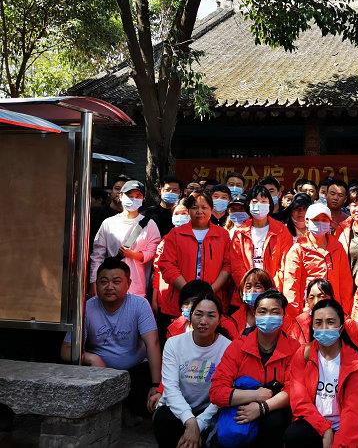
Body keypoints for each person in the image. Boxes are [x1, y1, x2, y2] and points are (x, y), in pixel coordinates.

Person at [61, 258, 161, 419]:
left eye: (116, 282)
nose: (109, 287)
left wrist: (157, 385)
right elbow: (66, 350)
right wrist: (91, 358)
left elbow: (153, 344)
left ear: (128, 284)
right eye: (104, 282)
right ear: (96, 284)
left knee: (146, 409)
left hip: (135, 370)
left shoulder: (140, 305)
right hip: (98, 372)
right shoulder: (87, 307)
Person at [209, 290, 299, 448]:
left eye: (275, 312)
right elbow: (216, 392)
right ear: (255, 314)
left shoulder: (294, 348)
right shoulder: (238, 346)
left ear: (284, 316)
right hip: (241, 410)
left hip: (274, 411)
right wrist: (256, 395)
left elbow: (293, 389)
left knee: (275, 421)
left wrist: (262, 407)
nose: (268, 316)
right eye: (262, 311)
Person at [284, 299, 358, 447]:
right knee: (294, 434)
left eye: (330, 322)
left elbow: (354, 412)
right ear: (312, 327)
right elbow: (300, 401)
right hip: (314, 424)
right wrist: (324, 428)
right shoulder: (303, 354)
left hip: (343, 429)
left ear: (341, 328)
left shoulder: (354, 361)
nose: (324, 328)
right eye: (318, 323)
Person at [153, 293, 231, 448]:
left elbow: (223, 393)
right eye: (198, 314)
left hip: (209, 411)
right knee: (162, 418)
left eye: (211, 316)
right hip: (177, 408)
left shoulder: (228, 347)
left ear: (220, 319)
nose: (203, 321)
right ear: (190, 316)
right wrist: (190, 421)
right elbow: (170, 388)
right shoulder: (173, 344)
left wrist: (198, 424)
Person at [155, 191, 232, 341]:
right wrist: (187, 291)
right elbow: (166, 264)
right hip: (179, 301)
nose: (199, 211)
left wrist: (210, 290)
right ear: (188, 210)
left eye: (204, 207)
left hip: (213, 298)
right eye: (195, 207)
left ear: (211, 209)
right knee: (177, 342)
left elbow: (227, 266)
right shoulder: (175, 234)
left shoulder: (222, 234)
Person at [90, 180, 161, 298]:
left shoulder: (150, 224)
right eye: (129, 195)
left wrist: (132, 255)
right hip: (109, 287)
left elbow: (153, 252)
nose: (133, 199)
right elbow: (97, 255)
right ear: (121, 196)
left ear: (143, 199)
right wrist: (94, 282)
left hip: (137, 287)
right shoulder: (108, 223)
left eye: (138, 196)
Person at [283, 203, 354, 318]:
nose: (320, 223)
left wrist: (344, 312)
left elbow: (345, 283)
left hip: (334, 310)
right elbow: (291, 286)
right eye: (315, 220)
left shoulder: (337, 247)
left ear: (330, 222)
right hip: (308, 311)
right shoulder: (298, 249)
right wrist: (296, 317)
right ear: (307, 222)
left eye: (324, 220)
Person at [231, 184, 293, 287]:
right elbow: (236, 266)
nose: (259, 205)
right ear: (248, 205)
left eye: (264, 201)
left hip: (273, 289)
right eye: (255, 202)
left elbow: (285, 265)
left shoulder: (282, 230)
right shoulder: (240, 233)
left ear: (270, 205)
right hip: (246, 290)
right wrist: (248, 287)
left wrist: (271, 288)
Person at [288, 279, 358, 347]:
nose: (316, 302)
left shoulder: (347, 323)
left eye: (321, 297)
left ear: (331, 298)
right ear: (307, 300)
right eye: (311, 298)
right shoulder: (299, 323)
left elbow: (356, 350)